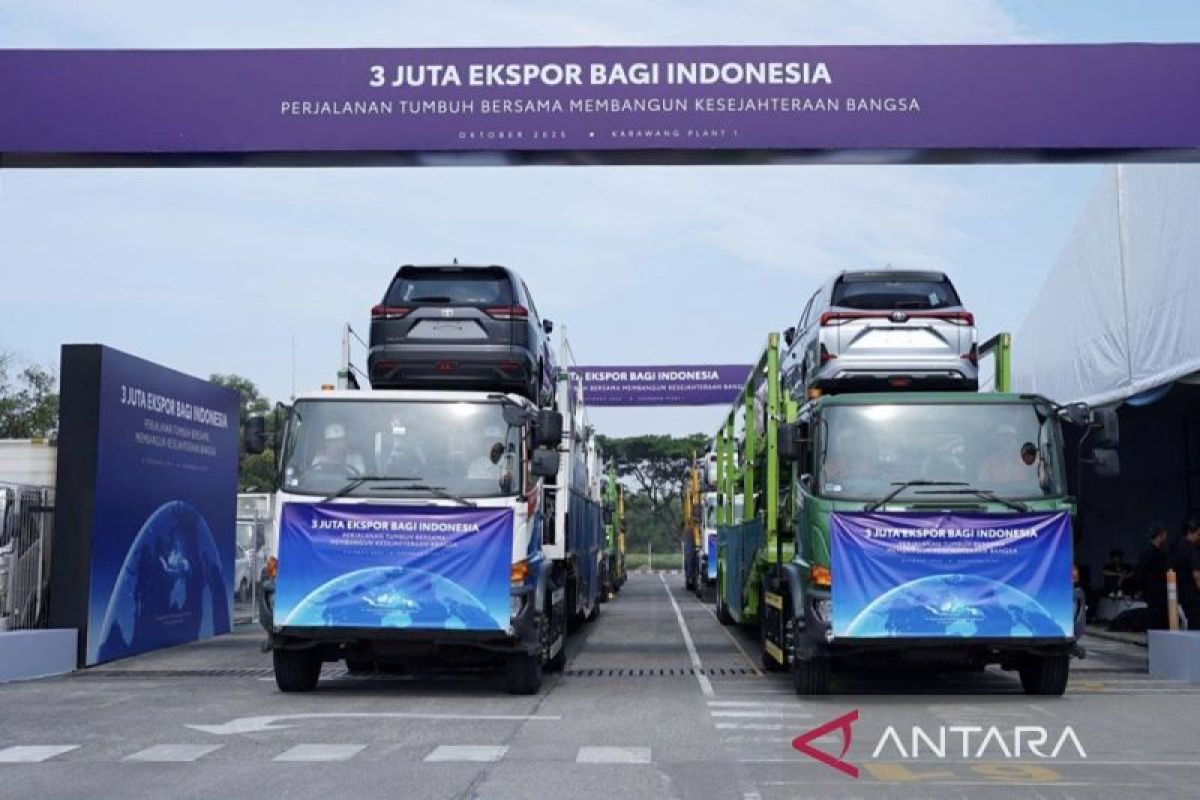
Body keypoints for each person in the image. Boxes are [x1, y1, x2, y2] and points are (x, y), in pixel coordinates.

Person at [1133, 521, 1172, 630]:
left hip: (1160, 590)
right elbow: (1141, 571)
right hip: (1153, 591)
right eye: (1165, 533)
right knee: (1155, 617)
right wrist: (1139, 588)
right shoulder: (1148, 551)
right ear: (1160, 534)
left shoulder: (1160, 553)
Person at [1170, 518, 1200, 631]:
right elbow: (1197, 576)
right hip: (1192, 594)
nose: (1199, 537)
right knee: (1196, 623)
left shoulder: (1175, 546)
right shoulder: (1191, 549)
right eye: (1198, 534)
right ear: (1190, 532)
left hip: (1180, 592)